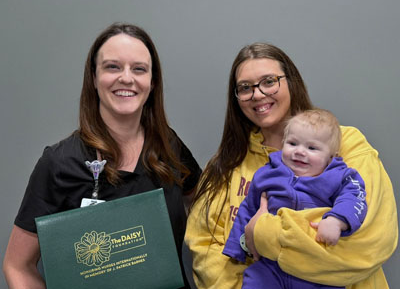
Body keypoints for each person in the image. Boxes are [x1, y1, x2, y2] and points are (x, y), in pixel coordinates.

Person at [3, 22, 201, 289]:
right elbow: (17, 265)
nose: (127, 78)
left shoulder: (168, 145)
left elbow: (206, 207)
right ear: (94, 78)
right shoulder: (60, 163)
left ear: (152, 83)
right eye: (112, 67)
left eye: (139, 69)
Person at [185, 42, 398, 289]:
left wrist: (263, 233)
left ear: (291, 82)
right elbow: (205, 249)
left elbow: (369, 243)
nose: (257, 94)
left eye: (269, 81)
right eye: (245, 88)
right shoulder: (223, 164)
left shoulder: (345, 145)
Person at [223, 109, 367, 289]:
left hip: (317, 268)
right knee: (254, 280)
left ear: (331, 157)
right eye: (292, 143)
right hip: (272, 265)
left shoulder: (340, 176)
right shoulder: (268, 173)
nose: (299, 151)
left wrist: (337, 220)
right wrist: (237, 245)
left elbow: (355, 198)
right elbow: (248, 207)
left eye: (312, 148)